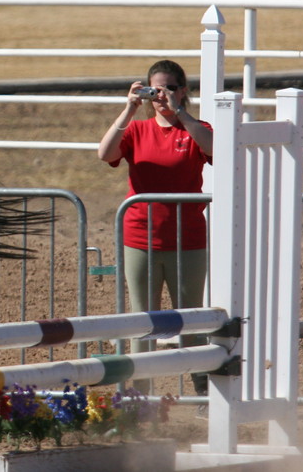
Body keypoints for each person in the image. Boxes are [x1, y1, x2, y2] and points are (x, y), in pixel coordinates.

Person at [97, 59, 213, 400]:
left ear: (184, 90)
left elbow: (216, 148)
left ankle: (203, 394)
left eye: (170, 88)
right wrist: (129, 108)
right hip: (140, 238)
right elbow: (105, 154)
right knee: (141, 322)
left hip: (187, 239)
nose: (161, 96)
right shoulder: (136, 129)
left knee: (190, 321)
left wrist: (182, 114)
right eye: (155, 90)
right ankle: (139, 398)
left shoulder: (194, 128)